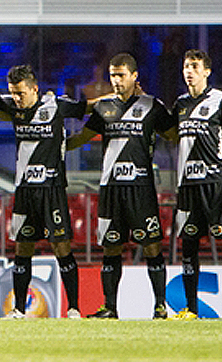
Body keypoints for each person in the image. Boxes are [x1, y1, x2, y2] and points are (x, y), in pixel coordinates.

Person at [0, 65, 85, 319]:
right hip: (24, 191)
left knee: (61, 246)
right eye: (13, 93)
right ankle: (19, 309)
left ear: (34, 89)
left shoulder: (56, 106)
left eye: (21, 93)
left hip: (52, 190)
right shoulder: (12, 107)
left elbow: (87, 109)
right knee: (23, 248)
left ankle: (74, 307)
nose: (17, 99)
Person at [67, 53, 177, 319]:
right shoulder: (104, 107)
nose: (116, 81)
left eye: (121, 75)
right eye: (113, 75)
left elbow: (173, 135)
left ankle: (160, 306)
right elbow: (83, 136)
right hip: (111, 187)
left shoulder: (152, 106)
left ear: (134, 76)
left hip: (141, 187)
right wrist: (55, 146)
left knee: (151, 246)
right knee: (111, 246)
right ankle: (110, 307)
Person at [170, 49, 222, 320]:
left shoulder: (221, 100)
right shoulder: (179, 105)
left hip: (217, 184)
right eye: (186, 66)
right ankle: (190, 309)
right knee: (188, 248)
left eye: (194, 66)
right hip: (187, 186)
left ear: (206, 71)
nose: (189, 71)